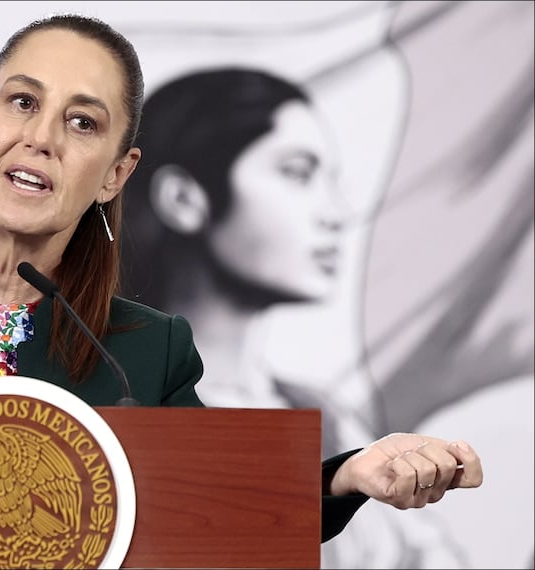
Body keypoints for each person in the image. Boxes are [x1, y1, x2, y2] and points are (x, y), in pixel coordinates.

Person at [0, 11, 480, 551]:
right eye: (22, 101)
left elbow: (224, 507)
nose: (41, 136)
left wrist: (347, 473)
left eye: (82, 122)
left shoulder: (143, 350)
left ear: (115, 174)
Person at [117, 67, 473, 568]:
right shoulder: (113, 405)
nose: (337, 212)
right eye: (298, 173)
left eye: (331, 180)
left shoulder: (328, 419)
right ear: (184, 198)